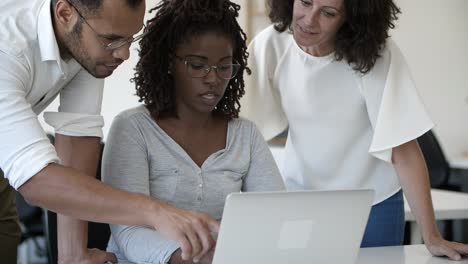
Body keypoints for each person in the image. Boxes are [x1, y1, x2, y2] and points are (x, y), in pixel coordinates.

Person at [240, 0, 468, 260]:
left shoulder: (376, 53)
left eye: (328, 13)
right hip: (300, 198)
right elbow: (244, 135)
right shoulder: (270, 44)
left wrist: (432, 236)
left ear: (351, 19)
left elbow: (403, 150)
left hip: (373, 202)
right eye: (305, 2)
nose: (309, 19)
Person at [0, 0, 219, 263]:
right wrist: (155, 212)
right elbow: (37, 181)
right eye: (112, 39)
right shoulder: (7, 49)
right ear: (65, 13)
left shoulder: (87, 47)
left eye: (130, 38)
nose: (124, 54)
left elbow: (77, 136)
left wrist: (73, 254)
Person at [101, 0, 285, 263]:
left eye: (224, 67)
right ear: (168, 63)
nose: (213, 79)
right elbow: (129, 232)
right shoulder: (133, 129)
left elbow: (276, 215)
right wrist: (203, 258)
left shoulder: (246, 134)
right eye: (197, 66)